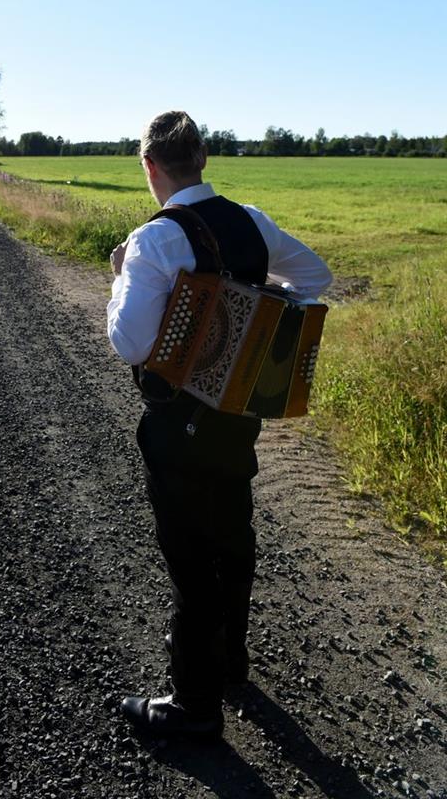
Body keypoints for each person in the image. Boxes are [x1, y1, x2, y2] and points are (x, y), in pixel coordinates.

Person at [107, 111, 332, 739]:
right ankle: (232, 661)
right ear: (202, 157)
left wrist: (123, 274)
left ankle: (194, 705)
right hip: (237, 414)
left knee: (188, 557)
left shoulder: (151, 241)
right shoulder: (252, 221)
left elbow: (129, 343)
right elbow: (315, 279)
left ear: (149, 166)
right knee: (233, 533)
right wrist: (245, 315)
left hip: (176, 419)